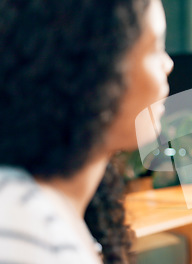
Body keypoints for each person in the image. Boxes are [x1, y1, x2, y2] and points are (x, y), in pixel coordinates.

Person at [0, 0, 173, 263]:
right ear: (96, 65)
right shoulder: (21, 225)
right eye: (156, 48)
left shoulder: (51, 213)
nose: (168, 64)